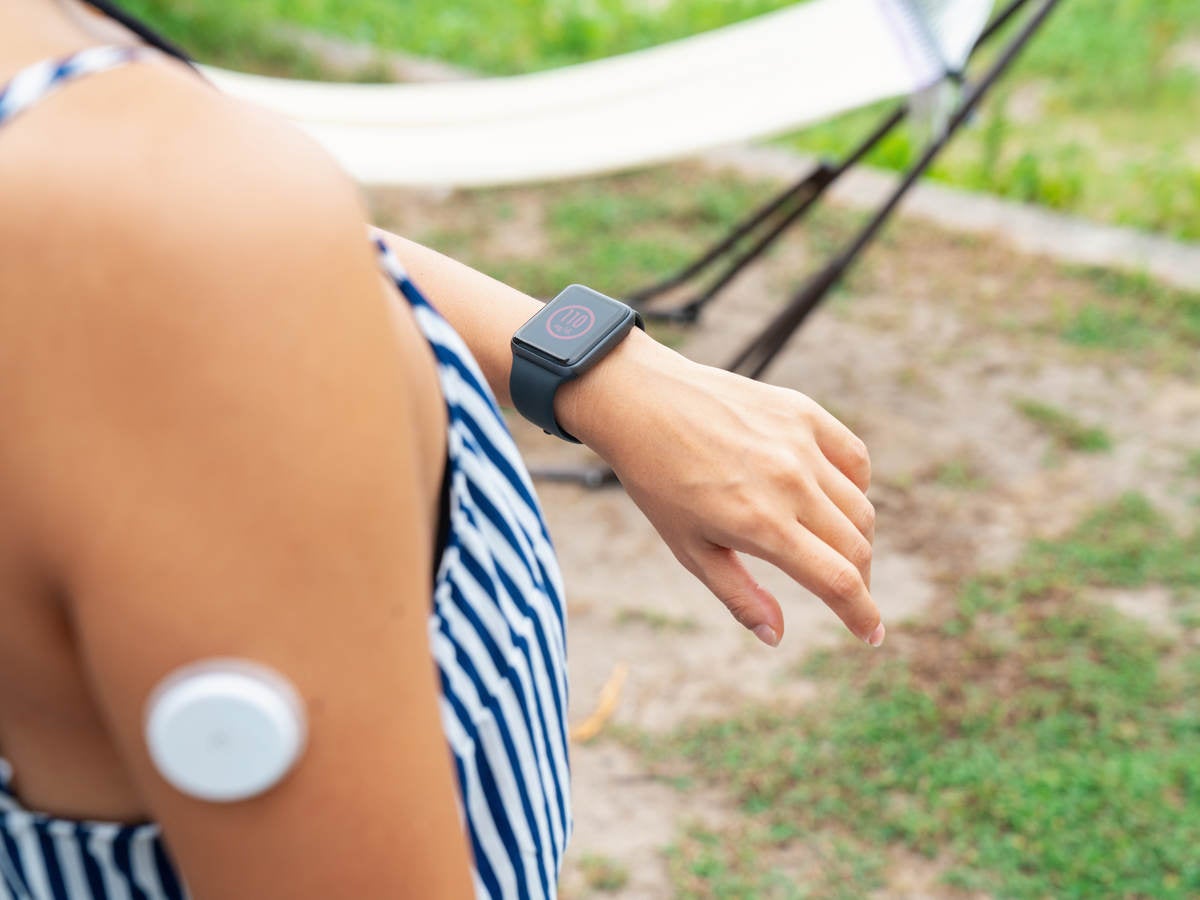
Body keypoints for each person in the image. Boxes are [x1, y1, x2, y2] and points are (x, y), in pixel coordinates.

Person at [0, 1, 882, 897]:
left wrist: (590, 368)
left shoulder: (111, 170)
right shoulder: (157, 244)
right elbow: (179, 234)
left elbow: (219, 221)